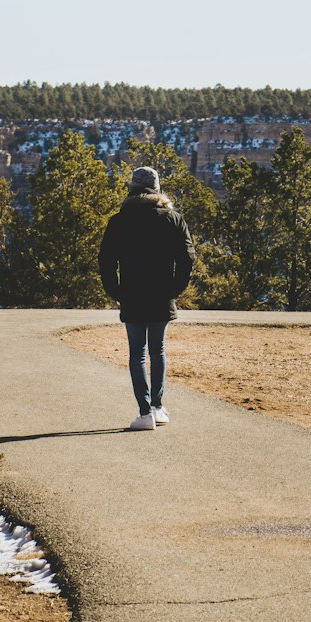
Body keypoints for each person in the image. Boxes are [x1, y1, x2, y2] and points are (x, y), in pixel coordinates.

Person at [98, 166, 195, 430]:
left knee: (137, 353)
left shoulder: (119, 220)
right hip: (162, 294)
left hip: (132, 294)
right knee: (158, 350)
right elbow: (187, 259)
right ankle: (158, 407)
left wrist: (116, 292)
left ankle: (144, 413)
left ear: (132, 189)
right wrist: (175, 289)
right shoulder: (173, 219)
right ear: (157, 189)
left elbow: (106, 261)